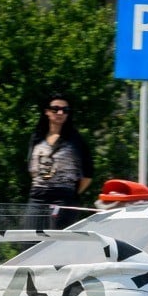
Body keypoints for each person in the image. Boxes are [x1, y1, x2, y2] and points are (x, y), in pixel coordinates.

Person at [26, 94, 94, 230]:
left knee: (56, 239)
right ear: (47, 111)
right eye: (55, 109)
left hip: (63, 198)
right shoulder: (37, 137)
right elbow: (32, 168)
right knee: (30, 237)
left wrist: (71, 194)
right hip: (37, 196)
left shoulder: (75, 140)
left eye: (65, 110)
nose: (60, 113)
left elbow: (88, 174)